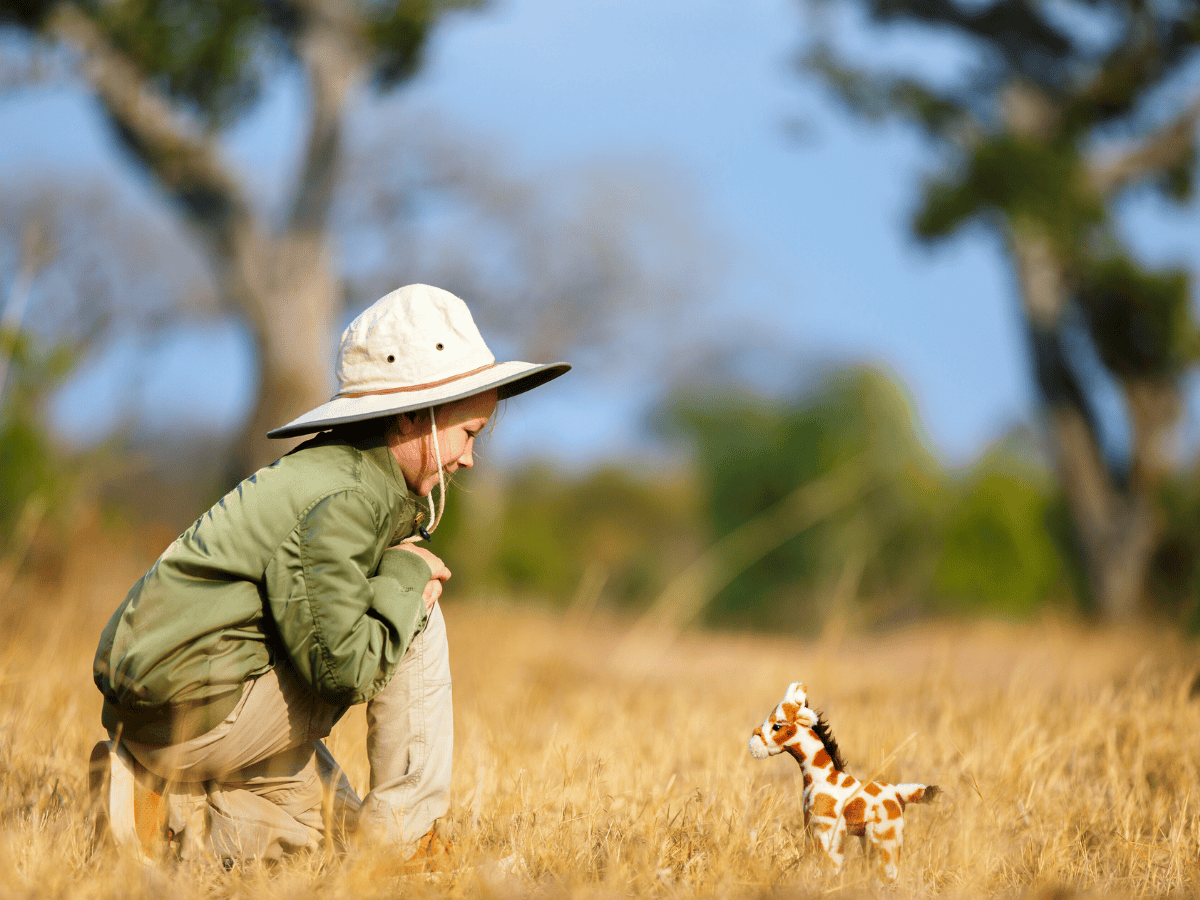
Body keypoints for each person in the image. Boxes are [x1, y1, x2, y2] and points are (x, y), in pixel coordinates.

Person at [89, 284, 569, 866]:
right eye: (469, 434)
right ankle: (408, 841)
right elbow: (342, 668)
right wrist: (405, 576)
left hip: (174, 710)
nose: (469, 458)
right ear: (417, 415)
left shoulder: (341, 474)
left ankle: (151, 802)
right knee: (417, 610)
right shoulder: (343, 498)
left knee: (316, 842)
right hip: (196, 711)